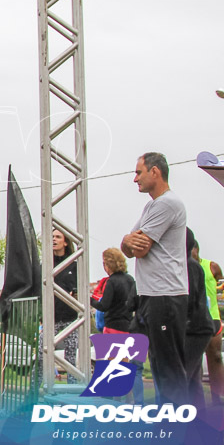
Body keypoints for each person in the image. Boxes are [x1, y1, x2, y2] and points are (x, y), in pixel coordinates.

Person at [120, 152, 188, 405]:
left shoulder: (167, 203)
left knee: (169, 371)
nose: (134, 179)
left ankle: (180, 430)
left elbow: (139, 248)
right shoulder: (151, 205)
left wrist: (129, 242)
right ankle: (169, 424)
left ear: (155, 172)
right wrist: (127, 241)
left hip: (165, 296)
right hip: (153, 295)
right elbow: (127, 246)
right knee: (159, 368)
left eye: (139, 172)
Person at [89, 247, 141, 403]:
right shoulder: (130, 279)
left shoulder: (112, 281)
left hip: (112, 326)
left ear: (107, 264)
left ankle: (122, 399)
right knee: (124, 361)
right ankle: (125, 399)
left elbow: (104, 305)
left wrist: (89, 300)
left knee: (113, 364)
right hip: (127, 325)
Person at [184, 229, 214, 407]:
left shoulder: (188, 266)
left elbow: (189, 299)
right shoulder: (189, 265)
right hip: (195, 326)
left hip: (194, 328)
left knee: (181, 377)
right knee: (192, 379)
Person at [192, 239, 224, 404]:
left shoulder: (212, 267)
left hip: (213, 319)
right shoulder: (182, 268)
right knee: (195, 361)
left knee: (216, 357)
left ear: (197, 249)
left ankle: (217, 397)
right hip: (193, 321)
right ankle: (198, 400)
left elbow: (221, 288)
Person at [52, 228, 79, 382]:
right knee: (43, 354)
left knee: (70, 355)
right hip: (52, 316)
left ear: (66, 241)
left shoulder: (74, 264)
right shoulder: (47, 265)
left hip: (71, 318)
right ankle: (34, 392)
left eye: (58, 237)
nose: (54, 240)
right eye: (52, 237)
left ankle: (72, 389)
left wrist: (75, 293)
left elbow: (79, 288)